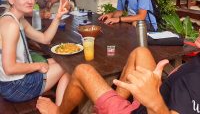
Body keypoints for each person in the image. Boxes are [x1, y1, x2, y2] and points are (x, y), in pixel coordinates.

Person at [37, 45, 200, 114]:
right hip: (155, 97)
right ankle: (112, 105)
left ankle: (58, 112)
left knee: (82, 70)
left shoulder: (194, 81)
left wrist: (154, 102)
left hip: (153, 107)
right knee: (141, 51)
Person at [0, 0, 70, 105]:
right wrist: (38, 66)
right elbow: (9, 68)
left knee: (61, 60)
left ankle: (58, 108)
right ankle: (59, 109)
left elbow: (44, 39)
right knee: (68, 65)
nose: (30, 1)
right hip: (15, 86)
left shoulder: (17, 18)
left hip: (14, 79)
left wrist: (58, 17)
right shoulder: (11, 25)